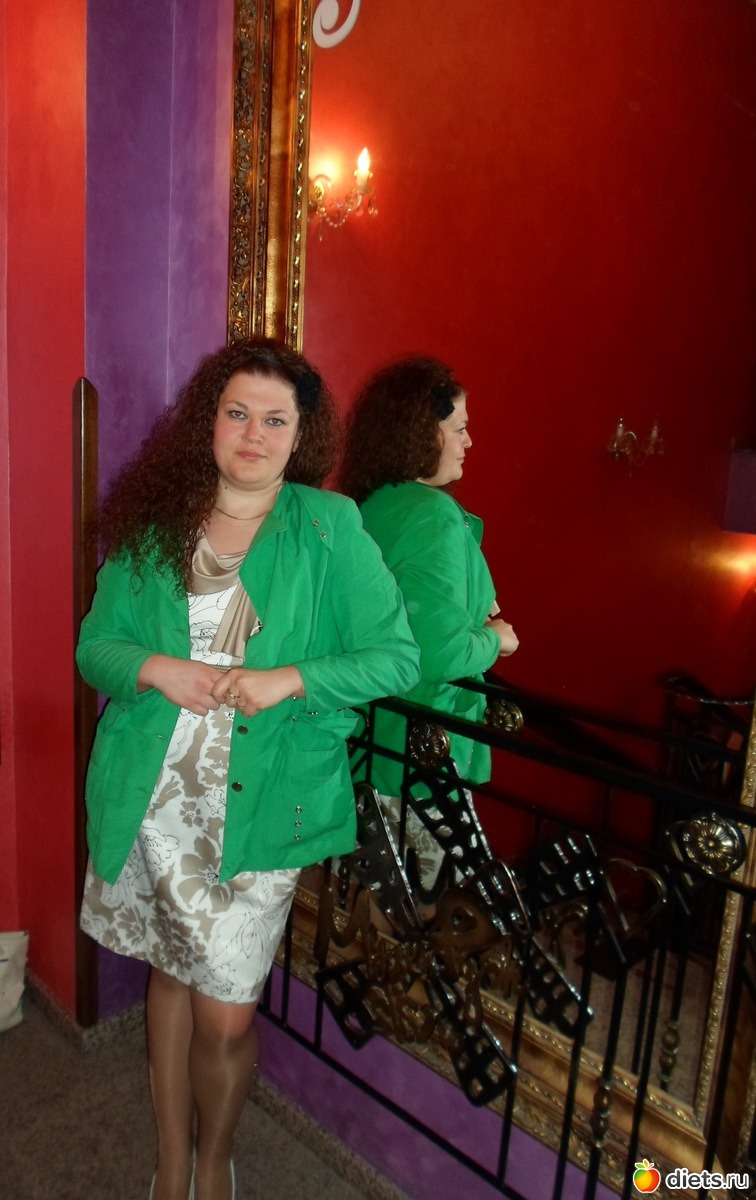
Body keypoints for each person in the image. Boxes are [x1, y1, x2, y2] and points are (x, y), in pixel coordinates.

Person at [76, 337, 420, 1200]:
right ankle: (170, 1161)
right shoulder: (159, 520)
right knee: (171, 968)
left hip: (262, 805)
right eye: (238, 414)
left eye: (275, 420)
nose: (254, 435)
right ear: (210, 421)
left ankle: (214, 1157)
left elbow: (395, 657)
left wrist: (290, 678)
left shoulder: (328, 527)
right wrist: (158, 668)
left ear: (301, 435)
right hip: (155, 798)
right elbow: (97, 647)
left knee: (226, 1012)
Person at [338, 355, 519, 893]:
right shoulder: (432, 514)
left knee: (378, 899)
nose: (469, 441)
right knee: (442, 909)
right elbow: (437, 652)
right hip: (423, 751)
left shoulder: (369, 505)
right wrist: (496, 639)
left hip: (372, 735)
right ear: (422, 432)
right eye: (459, 428)